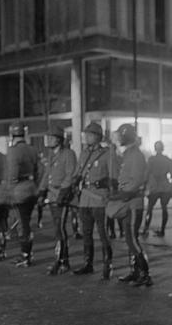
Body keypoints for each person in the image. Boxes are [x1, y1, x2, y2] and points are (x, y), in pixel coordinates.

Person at [72, 122, 116, 280]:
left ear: (98, 137)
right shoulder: (84, 153)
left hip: (99, 197)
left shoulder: (107, 153)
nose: (86, 137)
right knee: (87, 233)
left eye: (89, 134)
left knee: (103, 233)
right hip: (85, 198)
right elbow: (78, 172)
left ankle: (107, 263)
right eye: (86, 134)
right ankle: (87, 263)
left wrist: (111, 194)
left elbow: (113, 177)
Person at [110, 123, 151, 287]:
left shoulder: (135, 155)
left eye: (120, 135)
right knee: (128, 239)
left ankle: (144, 272)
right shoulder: (128, 154)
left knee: (132, 239)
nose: (118, 138)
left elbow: (136, 180)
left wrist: (123, 192)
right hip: (127, 202)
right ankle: (135, 271)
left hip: (133, 203)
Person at [39, 126, 77, 275]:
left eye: (51, 137)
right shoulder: (50, 155)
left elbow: (70, 174)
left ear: (59, 139)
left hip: (61, 196)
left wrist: (63, 192)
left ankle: (61, 260)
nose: (48, 140)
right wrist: (41, 192)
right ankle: (61, 259)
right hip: (52, 195)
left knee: (60, 229)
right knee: (57, 229)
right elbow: (46, 175)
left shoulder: (68, 154)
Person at [6, 122, 42, 267]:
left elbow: (12, 174)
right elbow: (39, 170)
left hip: (19, 191)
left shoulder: (13, 151)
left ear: (11, 134)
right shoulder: (32, 149)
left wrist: (9, 190)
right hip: (31, 188)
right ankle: (27, 253)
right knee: (26, 222)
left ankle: (25, 255)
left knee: (22, 224)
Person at [142, 141, 172, 238]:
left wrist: (144, 185)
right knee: (164, 208)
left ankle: (146, 229)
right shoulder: (168, 160)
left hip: (154, 187)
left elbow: (147, 173)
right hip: (165, 186)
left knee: (149, 209)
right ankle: (162, 230)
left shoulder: (151, 160)